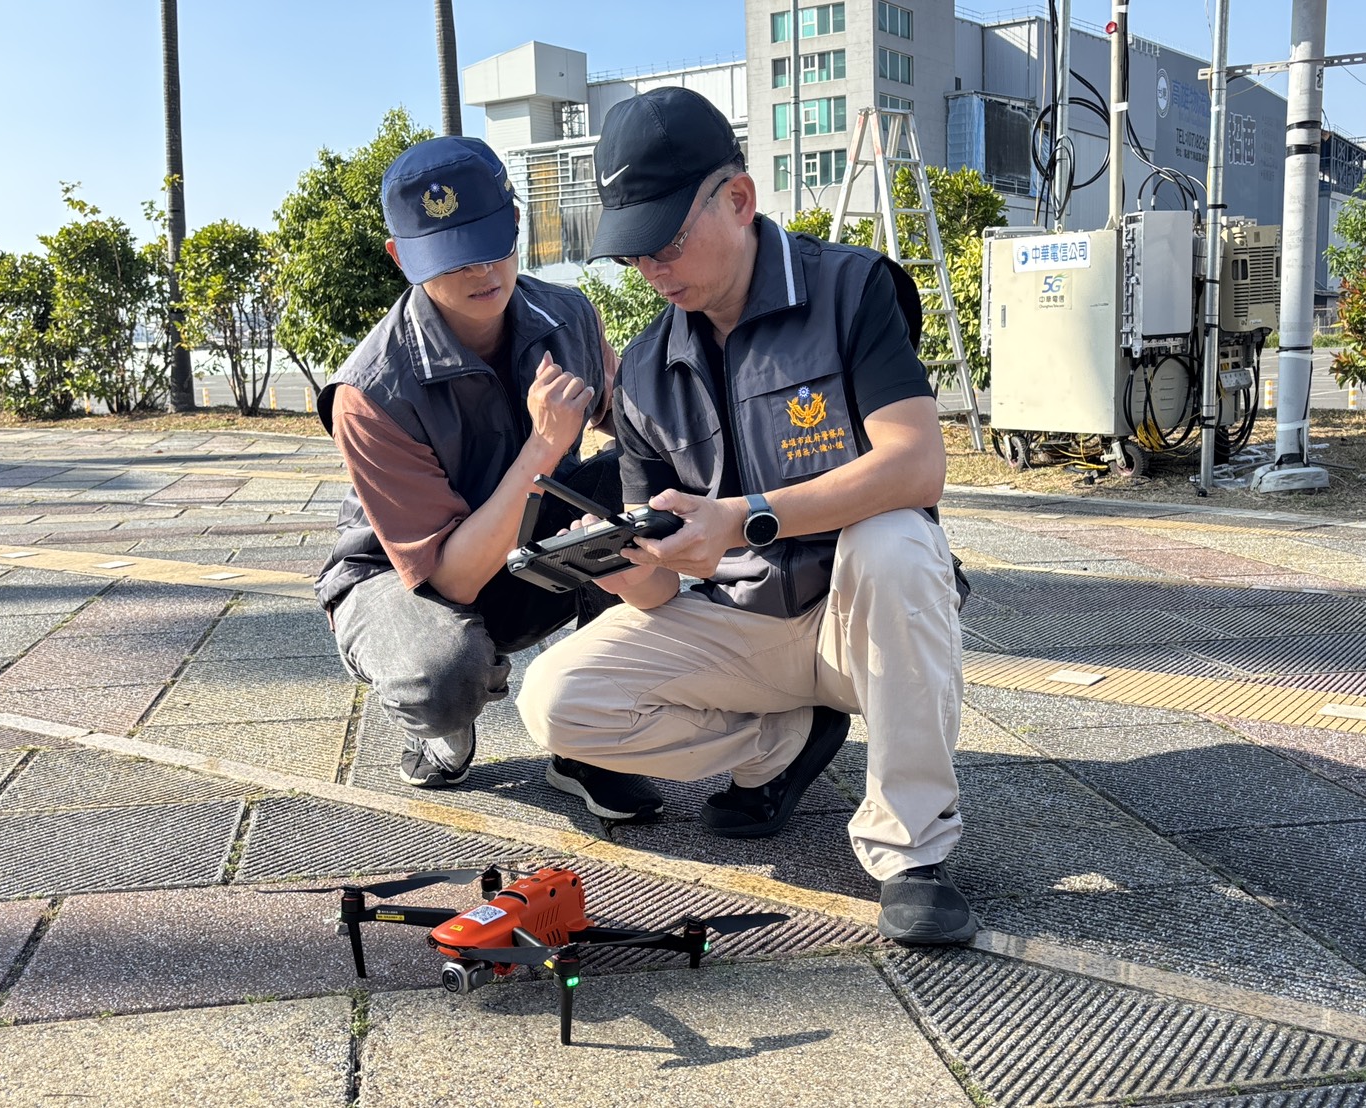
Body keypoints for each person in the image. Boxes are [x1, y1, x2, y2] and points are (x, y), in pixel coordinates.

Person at [517, 89, 977, 945]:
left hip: (861, 616)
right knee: (555, 702)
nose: (651, 268)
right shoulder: (650, 367)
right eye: (633, 252)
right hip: (744, 631)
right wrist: (632, 567)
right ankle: (782, 744)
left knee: (895, 539)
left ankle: (911, 850)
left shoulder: (851, 289)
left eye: (667, 239)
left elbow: (917, 463)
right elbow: (659, 586)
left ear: (737, 198)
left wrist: (741, 519)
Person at [313, 135, 663, 823]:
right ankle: (442, 721)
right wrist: (541, 447)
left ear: (515, 223)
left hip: (524, 547)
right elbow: (451, 580)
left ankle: (589, 739)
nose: (482, 271)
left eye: (492, 243)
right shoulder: (370, 391)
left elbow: (642, 434)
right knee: (440, 674)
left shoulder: (569, 317)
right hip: (402, 575)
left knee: (644, 489)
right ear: (401, 258)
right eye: (452, 258)